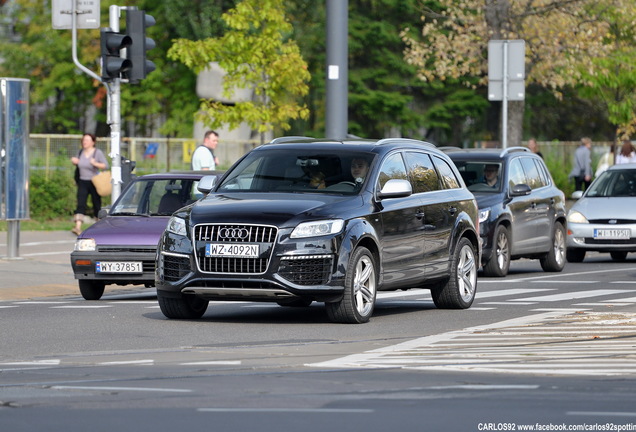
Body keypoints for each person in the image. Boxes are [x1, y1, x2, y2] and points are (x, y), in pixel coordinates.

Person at [70, 133, 109, 235]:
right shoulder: (80, 152)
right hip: (82, 181)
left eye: (87, 140)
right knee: (80, 203)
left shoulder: (97, 152)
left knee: (96, 203)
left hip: (94, 181)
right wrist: (75, 162)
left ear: (93, 142)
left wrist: (95, 163)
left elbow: (105, 165)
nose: (84, 142)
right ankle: (77, 227)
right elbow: (79, 164)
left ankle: (99, 225)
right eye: (83, 140)